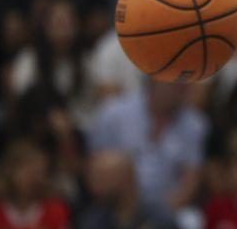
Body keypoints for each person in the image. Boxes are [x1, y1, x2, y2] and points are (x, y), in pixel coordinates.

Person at [89, 80, 207, 217]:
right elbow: (96, 167)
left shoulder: (195, 124)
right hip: (116, 205)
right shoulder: (114, 113)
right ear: (154, 81)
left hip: (168, 209)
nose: (183, 89)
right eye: (176, 83)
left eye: (186, 85)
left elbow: (191, 179)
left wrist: (162, 213)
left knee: (191, 221)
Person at [0, 84, 83, 202]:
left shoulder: (67, 136)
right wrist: (17, 186)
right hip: (8, 203)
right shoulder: (4, 132)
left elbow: (77, 175)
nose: (41, 127)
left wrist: (64, 137)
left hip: (51, 205)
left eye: (46, 122)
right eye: (38, 120)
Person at [8, 0, 91, 124]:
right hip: (38, 127)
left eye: (69, 22)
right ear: (46, 26)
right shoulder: (29, 59)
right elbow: (23, 100)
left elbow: (91, 108)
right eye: (59, 22)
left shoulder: (86, 61)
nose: (64, 29)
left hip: (78, 130)